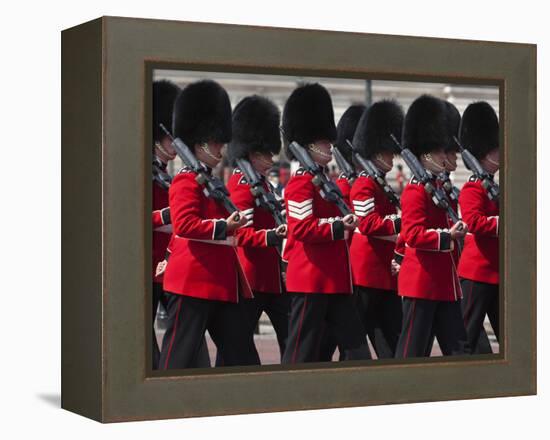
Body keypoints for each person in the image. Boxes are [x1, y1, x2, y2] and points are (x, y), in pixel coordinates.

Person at [159, 79, 260, 369]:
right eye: (216, 142)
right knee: (177, 357)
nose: (221, 147)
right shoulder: (184, 181)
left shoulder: (214, 182)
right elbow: (185, 225)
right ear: (201, 143)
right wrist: (224, 226)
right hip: (193, 283)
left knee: (241, 355)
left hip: (220, 283)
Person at [280, 83, 371, 363]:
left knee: (357, 352)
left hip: (335, 281)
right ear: (308, 145)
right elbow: (302, 229)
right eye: (323, 142)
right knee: (301, 354)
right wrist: (338, 226)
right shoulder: (299, 185)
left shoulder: (325, 182)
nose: (330, 147)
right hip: (311, 281)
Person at [394, 95, 470, 358]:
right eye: (439, 151)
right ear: (425, 154)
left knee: (460, 350)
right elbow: (413, 235)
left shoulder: (441, 190)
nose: (444, 155)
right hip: (422, 283)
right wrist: (448, 235)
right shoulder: (415, 192)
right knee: (412, 351)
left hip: (444, 283)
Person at [226, 95, 289, 361]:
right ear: (252, 152)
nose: (271, 158)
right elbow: (240, 233)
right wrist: (272, 236)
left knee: (291, 335)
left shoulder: (263, 184)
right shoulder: (241, 184)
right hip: (251, 277)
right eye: (265, 153)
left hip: (271, 276)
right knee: (237, 342)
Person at [349, 100, 404, 358]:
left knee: (392, 337)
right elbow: (368, 223)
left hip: (384, 270)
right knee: (356, 337)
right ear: (375, 151)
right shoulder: (363, 184)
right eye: (387, 150)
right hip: (367, 271)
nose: (392, 155)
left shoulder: (381, 184)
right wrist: (401, 221)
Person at [317, 103, 365, 361]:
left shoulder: (361, 183)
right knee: (327, 341)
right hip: (349, 269)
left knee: (347, 341)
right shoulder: (344, 185)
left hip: (353, 272)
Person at [457, 101, 500, 354]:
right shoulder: (473, 188)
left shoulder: (495, 186)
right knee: (467, 333)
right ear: (484, 153)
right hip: (477, 273)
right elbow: (474, 221)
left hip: (496, 271)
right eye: (496, 149)